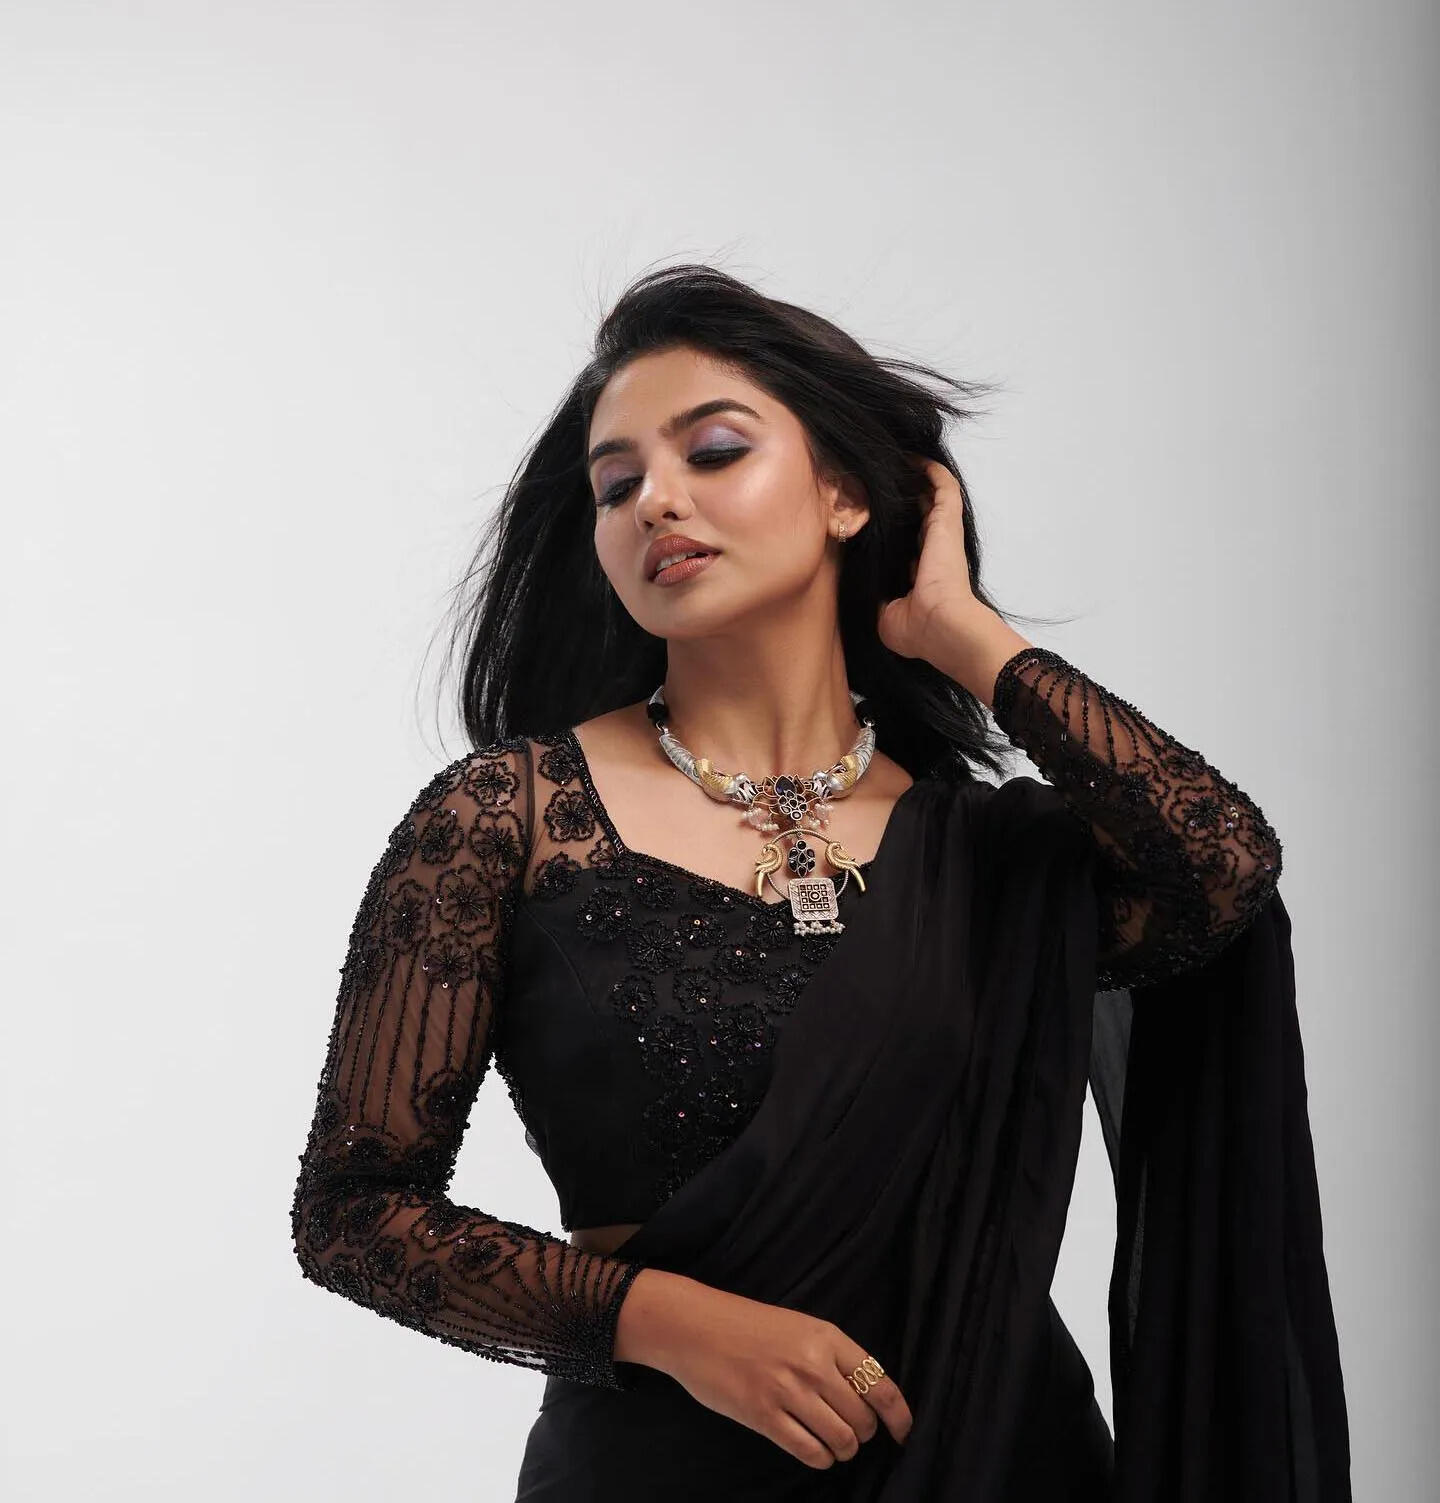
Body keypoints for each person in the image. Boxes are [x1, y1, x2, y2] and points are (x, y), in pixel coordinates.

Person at [289, 264, 1350, 1500]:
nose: (655, 500)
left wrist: (959, 631)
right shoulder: (508, 818)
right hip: (663, 1469)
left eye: (714, 451)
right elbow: (355, 1214)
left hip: (1000, 1463)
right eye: (617, 484)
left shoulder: (987, 857)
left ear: (845, 494)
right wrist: (675, 1325)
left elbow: (1222, 867)